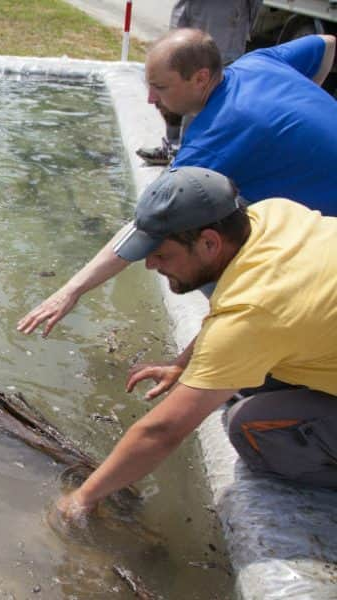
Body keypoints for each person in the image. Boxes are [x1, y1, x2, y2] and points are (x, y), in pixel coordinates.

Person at [57, 166, 337, 524]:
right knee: (248, 380)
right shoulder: (272, 215)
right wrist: (184, 361)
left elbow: (162, 432)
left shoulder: (254, 312)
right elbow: (236, 315)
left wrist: (83, 498)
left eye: (161, 253)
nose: (150, 264)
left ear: (209, 243)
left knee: (251, 427)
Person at [18, 29, 337, 337]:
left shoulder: (213, 140)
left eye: (160, 87)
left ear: (200, 78)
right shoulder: (258, 64)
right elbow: (325, 44)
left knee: (207, 250)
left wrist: (72, 290)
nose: (150, 98)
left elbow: (146, 224)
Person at [136, 0, 263, 165]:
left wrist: (239, 26)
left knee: (201, 93)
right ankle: (173, 146)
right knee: (170, 77)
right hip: (191, 9)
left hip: (223, 22)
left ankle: (189, 158)